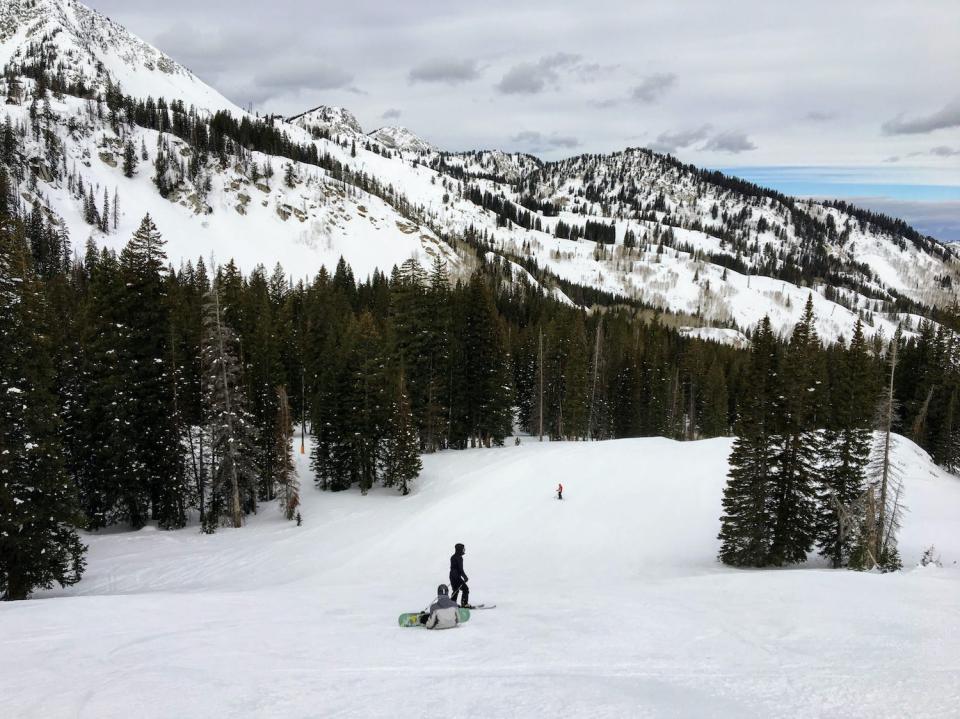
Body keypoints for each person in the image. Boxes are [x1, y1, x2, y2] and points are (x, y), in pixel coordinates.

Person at [449, 542, 470, 608]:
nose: (464, 550)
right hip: (456, 577)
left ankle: (452, 604)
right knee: (465, 589)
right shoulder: (458, 558)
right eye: (463, 549)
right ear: (459, 549)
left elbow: (458, 569)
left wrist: (463, 576)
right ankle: (464, 603)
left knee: (456, 590)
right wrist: (464, 577)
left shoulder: (455, 557)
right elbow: (459, 569)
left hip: (453, 576)